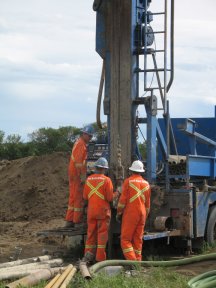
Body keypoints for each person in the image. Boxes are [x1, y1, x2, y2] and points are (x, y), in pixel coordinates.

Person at [116, 160, 151, 261]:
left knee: (125, 240)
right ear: (141, 171)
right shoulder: (147, 184)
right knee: (138, 240)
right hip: (143, 214)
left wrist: (119, 212)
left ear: (131, 171)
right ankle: (138, 262)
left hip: (131, 213)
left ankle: (133, 262)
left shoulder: (128, 181)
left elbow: (122, 201)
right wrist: (145, 216)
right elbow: (148, 204)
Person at [82, 157, 114, 262]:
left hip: (91, 212)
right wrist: (117, 193)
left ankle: (87, 258)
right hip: (103, 212)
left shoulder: (89, 179)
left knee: (90, 235)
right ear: (104, 169)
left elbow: (85, 197)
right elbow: (109, 198)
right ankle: (100, 259)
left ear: (96, 167)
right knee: (102, 235)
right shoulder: (107, 180)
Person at [65, 125, 94, 227]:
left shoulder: (79, 143)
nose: (90, 138)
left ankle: (69, 220)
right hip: (77, 174)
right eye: (89, 136)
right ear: (84, 134)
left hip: (73, 173)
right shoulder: (81, 145)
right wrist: (83, 175)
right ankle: (77, 221)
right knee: (78, 198)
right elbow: (79, 163)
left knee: (73, 197)